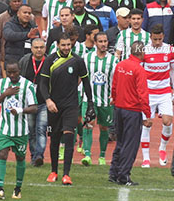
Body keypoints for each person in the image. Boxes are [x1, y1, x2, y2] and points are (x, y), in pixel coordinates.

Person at [39, 33, 94, 185]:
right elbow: (43, 83)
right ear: (58, 45)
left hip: (71, 105)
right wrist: (48, 100)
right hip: (54, 105)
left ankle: (66, 174)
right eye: (63, 45)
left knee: (69, 136)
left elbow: (86, 82)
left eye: (68, 45)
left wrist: (90, 103)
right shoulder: (50, 60)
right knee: (55, 138)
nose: (66, 48)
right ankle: (54, 171)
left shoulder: (77, 60)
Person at [0, 61, 39, 198]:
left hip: (21, 131)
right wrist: (4, 95)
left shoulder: (27, 85)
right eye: (9, 72)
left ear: (20, 71)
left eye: (15, 72)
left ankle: (17, 188)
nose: (12, 75)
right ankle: (0, 188)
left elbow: (34, 107)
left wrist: (20, 110)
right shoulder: (1, 84)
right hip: (4, 129)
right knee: (2, 155)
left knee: (20, 157)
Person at [108, 40, 150, 186]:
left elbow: (114, 85)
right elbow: (143, 94)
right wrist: (147, 115)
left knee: (120, 141)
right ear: (141, 52)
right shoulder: (139, 70)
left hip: (118, 108)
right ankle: (124, 175)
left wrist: (114, 98)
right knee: (130, 144)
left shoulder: (120, 65)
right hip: (132, 111)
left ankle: (114, 172)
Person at [141, 24, 174, 167]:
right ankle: (146, 158)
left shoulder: (170, 50)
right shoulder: (144, 50)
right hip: (149, 93)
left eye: (160, 39)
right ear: (150, 37)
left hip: (164, 92)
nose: (157, 42)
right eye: (155, 39)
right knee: (147, 124)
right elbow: (140, 73)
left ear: (163, 37)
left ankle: (162, 148)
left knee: (168, 121)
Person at [82, 32, 117, 166]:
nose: (103, 44)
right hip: (89, 99)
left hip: (106, 100)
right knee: (88, 126)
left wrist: (114, 96)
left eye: (105, 41)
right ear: (95, 43)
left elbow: (116, 80)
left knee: (104, 128)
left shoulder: (113, 60)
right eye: (100, 41)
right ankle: (87, 155)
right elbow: (82, 78)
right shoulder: (87, 58)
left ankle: (102, 155)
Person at [19, 37, 48, 166]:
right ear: (31, 48)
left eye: (41, 47)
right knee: (31, 130)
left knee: (41, 129)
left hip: (43, 102)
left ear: (45, 48)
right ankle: (33, 155)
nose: (39, 50)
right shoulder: (25, 61)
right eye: (36, 47)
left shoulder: (49, 62)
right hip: (29, 103)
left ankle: (39, 155)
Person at [0, 0, 23, 73]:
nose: (17, 3)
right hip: (5, 57)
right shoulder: (2, 17)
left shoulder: (29, 17)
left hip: (23, 56)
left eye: (19, 1)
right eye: (14, 1)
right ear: (10, 3)